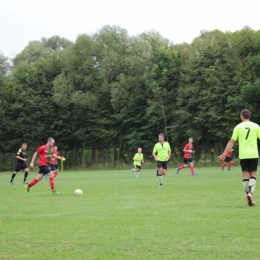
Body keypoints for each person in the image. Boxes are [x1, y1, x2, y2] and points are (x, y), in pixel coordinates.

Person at [218, 109, 260, 206]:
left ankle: (247, 196)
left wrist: (224, 155)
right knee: (253, 174)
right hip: (253, 154)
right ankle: (250, 194)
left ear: (241, 116)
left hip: (243, 155)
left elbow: (231, 142)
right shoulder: (256, 126)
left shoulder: (238, 127)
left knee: (245, 176)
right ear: (249, 116)